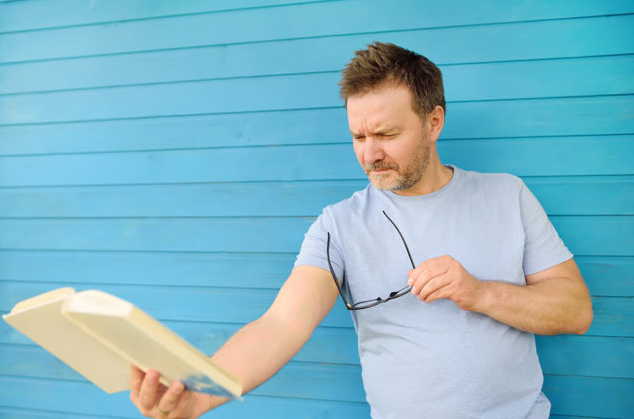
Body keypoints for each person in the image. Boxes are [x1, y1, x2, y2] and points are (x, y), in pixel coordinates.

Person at [130, 42, 593, 419]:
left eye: (387, 135)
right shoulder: (338, 226)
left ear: (434, 122)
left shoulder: (507, 195)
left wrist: (479, 292)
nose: (369, 154)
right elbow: (279, 325)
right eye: (358, 137)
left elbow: (575, 311)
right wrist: (200, 396)